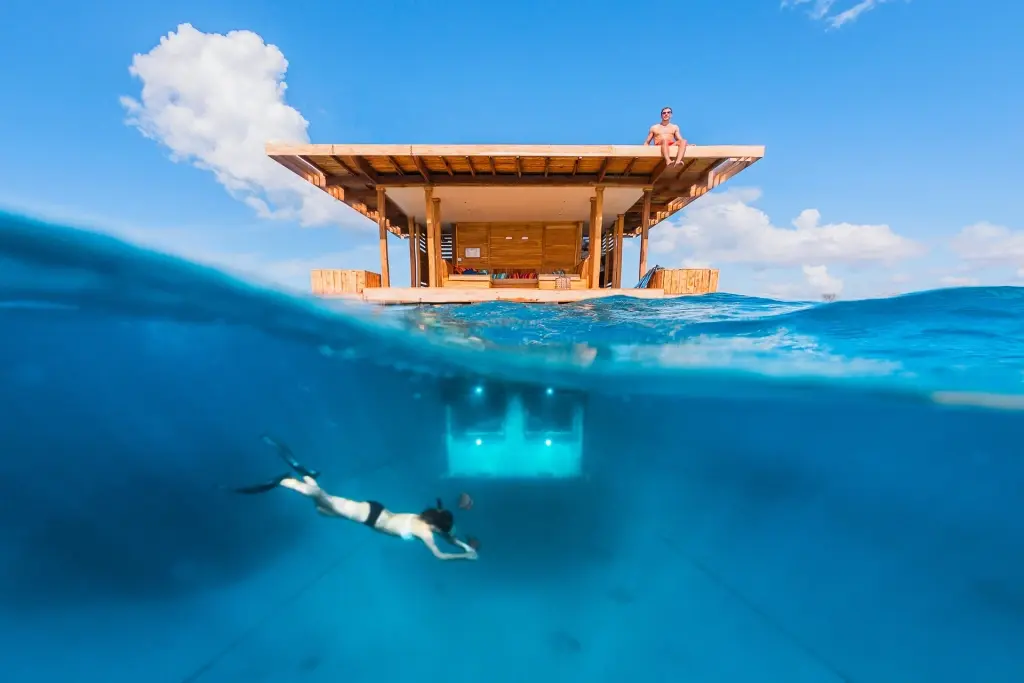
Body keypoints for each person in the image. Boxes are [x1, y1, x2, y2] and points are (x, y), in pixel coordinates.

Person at [231, 435, 478, 561]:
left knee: (323, 510)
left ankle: (305, 476)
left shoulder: (429, 521)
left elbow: (450, 536)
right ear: (435, 526)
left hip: (374, 512)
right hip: (367, 515)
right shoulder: (426, 533)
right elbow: (440, 556)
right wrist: (465, 557)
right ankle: (288, 480)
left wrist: (464, 545)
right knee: (323, 500)